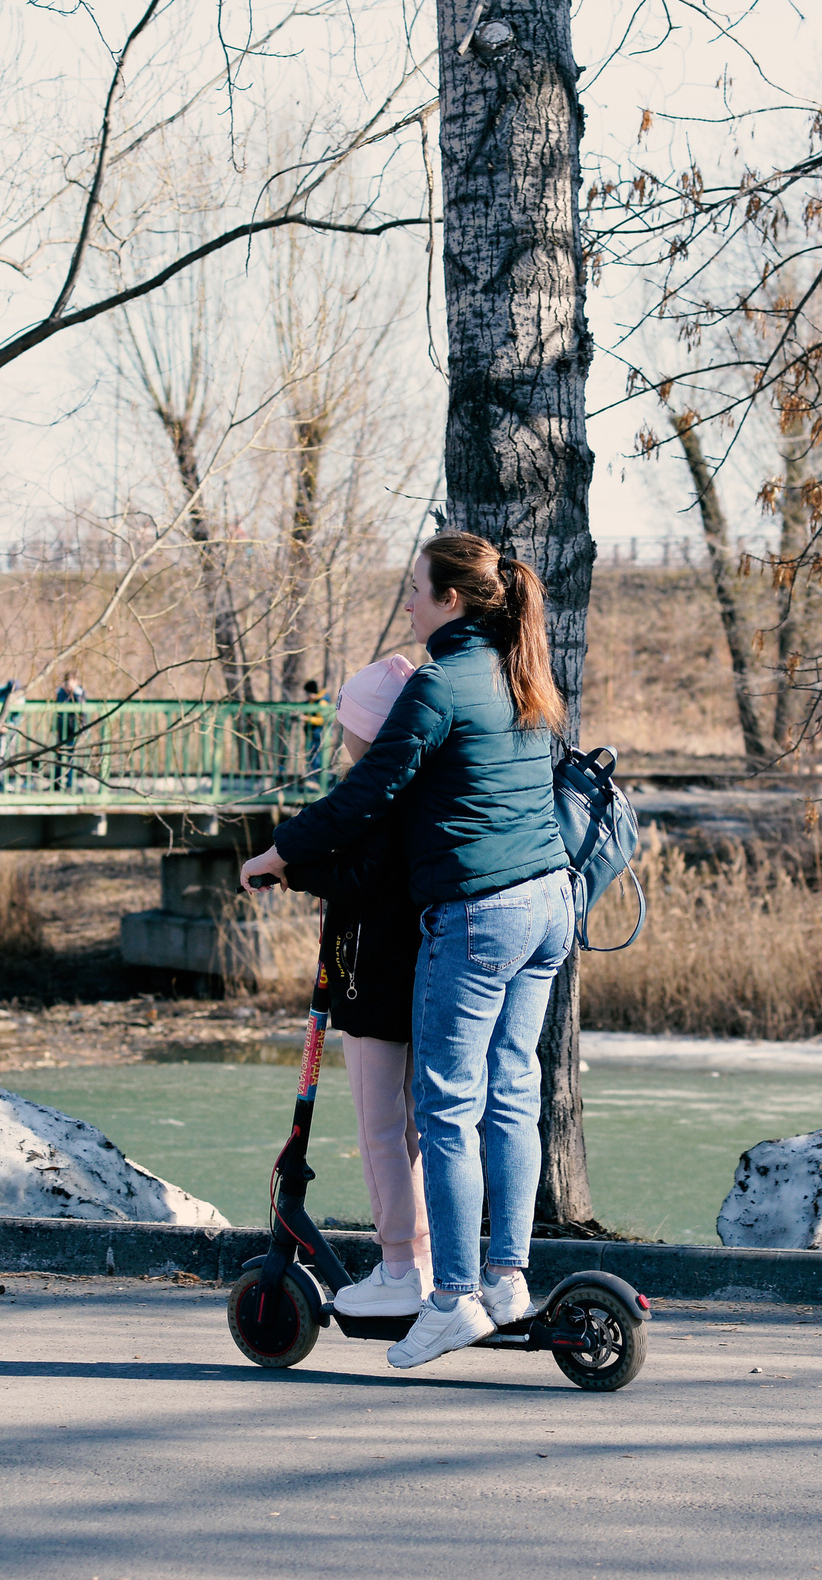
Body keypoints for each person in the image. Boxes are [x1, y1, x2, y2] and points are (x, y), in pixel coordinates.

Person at [240, 531, 573, 1369]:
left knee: (447, 1107)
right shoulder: (518, 671)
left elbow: (366, 793)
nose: (411, 605)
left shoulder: (439, 683)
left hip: (481, 915)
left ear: (451, 601)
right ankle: (506, 1279)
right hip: (549, 904)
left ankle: (453, 1296)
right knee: (510, 1096)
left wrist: (281, 851)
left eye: (419, 591)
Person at [278, 654, 427, 1314]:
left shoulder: (376, 794)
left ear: (364, 730)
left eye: (346, 724)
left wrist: (288, 869)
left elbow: (355, 877)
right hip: (420, 978)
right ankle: (423, 1260)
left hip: (373, 983)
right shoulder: (422, 784)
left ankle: (399, 1267)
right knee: (419, 1131)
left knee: (380, 1129)